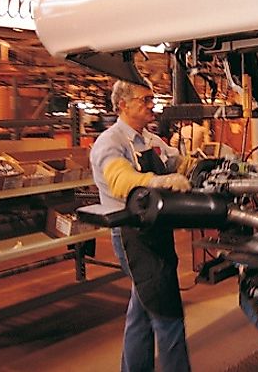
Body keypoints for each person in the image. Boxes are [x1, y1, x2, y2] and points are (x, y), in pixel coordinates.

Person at [90, 79, 192, 372]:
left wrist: (205, 165)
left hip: (155, 231)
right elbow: (122, 181)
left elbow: (176, 162)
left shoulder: (148, 139)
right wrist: (158, 181)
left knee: (142, 311)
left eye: (152, 99)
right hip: (132, 236)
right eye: (145, 100)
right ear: (122, 105)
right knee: (166, 312)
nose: (152, 105)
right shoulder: (110, 143)